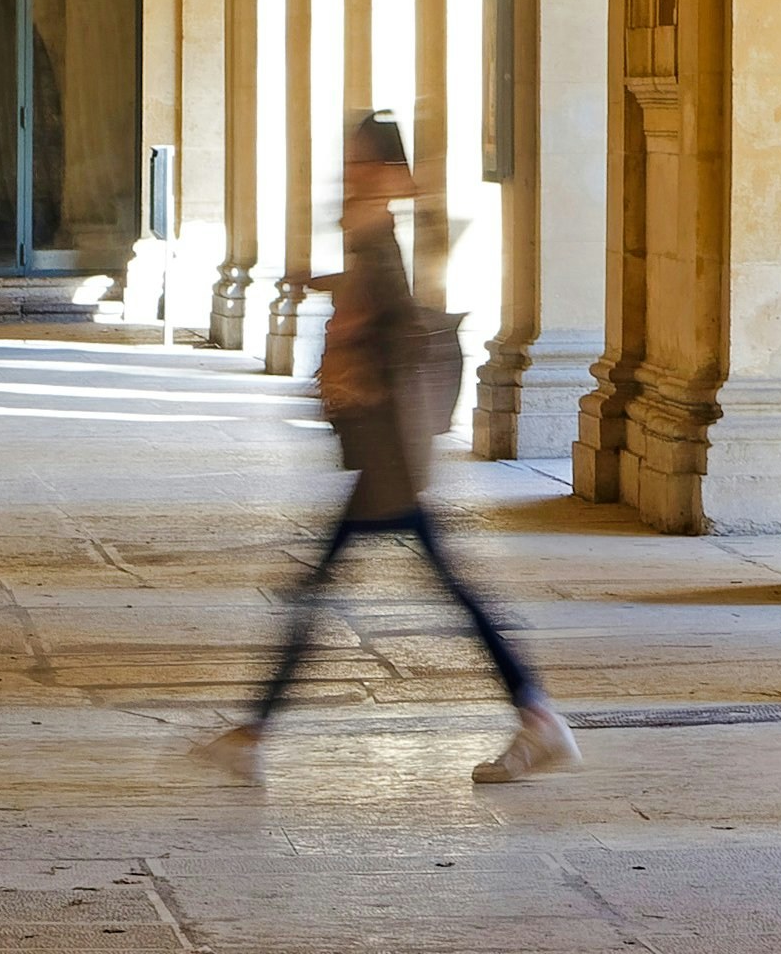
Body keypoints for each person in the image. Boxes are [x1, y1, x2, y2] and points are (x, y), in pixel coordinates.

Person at [199, 113, 576, 786]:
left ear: (383, 172)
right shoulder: (369, 235)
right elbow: (378, 303)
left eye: (357, 164)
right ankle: (535, 716)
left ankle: (254, 733)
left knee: (334, 592)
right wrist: (325, 290)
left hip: (386, 457)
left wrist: (349, 361)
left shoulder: (378, 235)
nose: (347, 176)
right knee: (414, 588)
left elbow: (397, 324)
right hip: (381, 455)